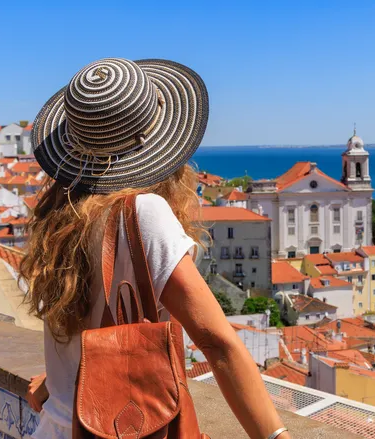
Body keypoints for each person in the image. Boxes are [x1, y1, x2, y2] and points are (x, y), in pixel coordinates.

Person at [20, 58, 290, 439]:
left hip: (55, 425)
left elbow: (83, 319)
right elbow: (216, 343)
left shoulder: (61, 217)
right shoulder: (141, 212)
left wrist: (57, 380)